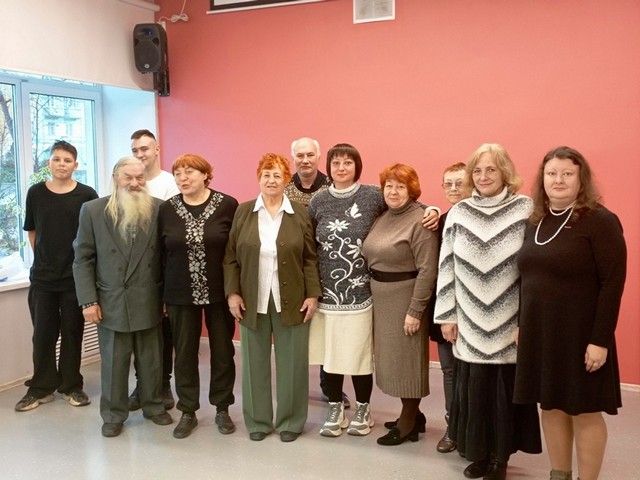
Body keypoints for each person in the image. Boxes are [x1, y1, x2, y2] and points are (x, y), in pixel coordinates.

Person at [514, 146, 627, 480]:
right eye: (551, 173)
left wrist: (600, 340)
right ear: (542, 179)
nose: (558, 180)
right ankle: (559, 474)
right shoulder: (535, 221)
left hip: (582, 336)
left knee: (584, 411)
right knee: (550, 405)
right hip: (541, 333)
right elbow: (527, 279)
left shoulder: (600, 221)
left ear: (581, 179)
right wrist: (522, 324)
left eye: (567, 173)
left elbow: (612, 284)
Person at [434, 143, 541, 480]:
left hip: (510, 321)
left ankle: (499, 458)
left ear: (504, 172)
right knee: (474, 393)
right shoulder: (460, 212)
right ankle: (478, 453)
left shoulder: (525, 209)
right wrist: (447, 315)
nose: (483, 176)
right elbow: (446, 265)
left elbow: (534, 270)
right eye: (477, 171)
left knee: (501, 396)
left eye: (491, 169)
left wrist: (527, 321)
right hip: (467, 320)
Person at [223, 153, 321, 443]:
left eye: (277, 175)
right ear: (258, 178)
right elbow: (230, 258)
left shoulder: (299, 213)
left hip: (292, 298)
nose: (271, 180)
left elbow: (309, 258)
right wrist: (232, 293)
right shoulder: (243, 212)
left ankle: (291, 420)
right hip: (252, 298)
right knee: (254, 362)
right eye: (266, 174)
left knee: (293, 362)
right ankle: (258, 421)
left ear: (286, 179)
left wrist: (312, 294)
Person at [73, 157, 172, 437]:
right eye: (129, 177)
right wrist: (88, 301)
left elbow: (168, 258)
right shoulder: (93, 210)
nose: (135, 183)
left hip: (149, 297)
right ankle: (113, 415)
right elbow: (82, 259)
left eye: (140, 178)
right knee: (114, 363)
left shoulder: (160, 209)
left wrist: (167, 297)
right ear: (116, 177)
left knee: (151, 360)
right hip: (110, 300)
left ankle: (153, 406)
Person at [159, 154, 239, 439]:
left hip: (220, 293)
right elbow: (159, 254)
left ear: (206, 174)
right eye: (178, 173)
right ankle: (188, 410)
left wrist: (236, 290)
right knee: (184, 353)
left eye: (189, 172)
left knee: (223, 351)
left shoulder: (228, 205)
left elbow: (235, 252)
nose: (183, 178)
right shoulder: (167, 209)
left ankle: (222, 408)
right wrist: (161, 296)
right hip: (179, 292)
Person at [15, 140, 98, 412]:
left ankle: (71, 386)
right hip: (43, 279)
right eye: (57, 159)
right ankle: (41, 387)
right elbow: (32, 231)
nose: (62, 164)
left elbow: (93, 237)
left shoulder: (87, 194)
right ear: (49, 163)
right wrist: (44, 260)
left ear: (76, 165)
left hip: (75, 279)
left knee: (73, 333)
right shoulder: (36, 192)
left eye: (67, 160)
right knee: (43, 335)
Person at [362, 163, 438, 446]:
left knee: (408, 361)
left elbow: (428, 270)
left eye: (400, 186)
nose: (393, 192)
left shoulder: (421, 220)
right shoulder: (384, 215)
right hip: (382, 297)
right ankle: (414, 416)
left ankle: (408, 423)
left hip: (405, 298)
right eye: (389, 186)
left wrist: (415, 310)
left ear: (412, 190)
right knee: (393, 361)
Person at [284, 136, 350, 408]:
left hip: (330, 267)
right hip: (293, 268)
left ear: (319, 157)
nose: (305, 160)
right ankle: (294, 387)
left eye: (310, 155)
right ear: (293, 158)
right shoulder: (284, 188)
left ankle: (330, 387)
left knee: (329, 333)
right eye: (300, 155)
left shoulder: (333, 186)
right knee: (295, 331)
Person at [128, 129, 179, 411]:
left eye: (144, 149)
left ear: (157, 149)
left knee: (164, 333)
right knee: (140, 333)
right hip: (136, 274)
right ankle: (141, 385)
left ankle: (163, 385)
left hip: (163, 269)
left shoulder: (170, 184)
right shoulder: (129, 182)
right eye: (135, 150)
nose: (140, 154)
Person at [429, 161, 470, 453]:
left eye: (460, 183)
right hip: (445, 307)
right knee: (449, 370)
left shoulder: (481, 218)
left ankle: (473, 429)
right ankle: (452, 427)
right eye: (449, 184)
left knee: (473, 374)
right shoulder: (439, 221)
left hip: (475, 311)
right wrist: (432, 209)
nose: (454, 188)